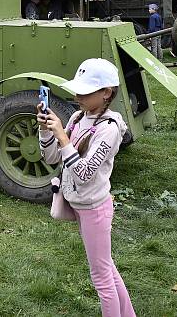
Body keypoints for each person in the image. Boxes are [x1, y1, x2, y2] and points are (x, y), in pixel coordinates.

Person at [38, 58, 135, 316]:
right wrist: (46, 131)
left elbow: (83, 174)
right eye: (77, 89)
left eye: (86, 91)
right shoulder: (78, 117)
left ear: (106, 93)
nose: (78, 95)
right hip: (80, 205)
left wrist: (61, 136)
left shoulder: (109, 129)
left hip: (95, 209)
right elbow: (51, 158)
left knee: (102, 278)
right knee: (107, 269)